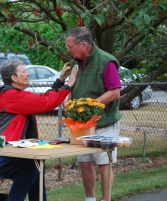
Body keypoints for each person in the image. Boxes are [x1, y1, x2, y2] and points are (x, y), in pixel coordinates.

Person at [0, 59, 77, 201]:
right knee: (31, 168)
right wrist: (68, 85)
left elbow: (42, 99)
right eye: (23, 71)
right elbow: (45, 102)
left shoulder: (14, 95)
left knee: (36, 166)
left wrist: (60, 81)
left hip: (1, 154)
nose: (28, 74)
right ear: (14, 78)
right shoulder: (11, 96)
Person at [64, 26, 123, 201]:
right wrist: (68, 100)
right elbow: (72, 85)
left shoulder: (106, 61)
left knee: (105, 163)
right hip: (81, 124)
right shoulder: (75, 61)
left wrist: (88, 105)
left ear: (83, 44)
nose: (68, 50)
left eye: (70, 46)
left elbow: (114, 92)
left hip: (104, 122)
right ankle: (90, 199)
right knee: (84, 162)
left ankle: (106, 199)